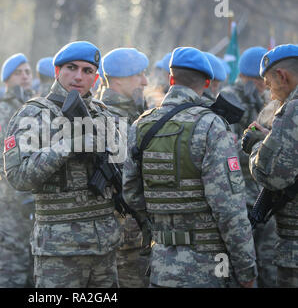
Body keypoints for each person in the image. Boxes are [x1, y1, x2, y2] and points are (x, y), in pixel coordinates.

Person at [123, 47, 257, 288]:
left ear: (171, 79)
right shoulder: (211, 126)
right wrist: (247, 269)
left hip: (161, 265)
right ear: (207, 82)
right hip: (207, 268)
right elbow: (229, 208)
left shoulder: (142, 124)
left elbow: (131, 193)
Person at [4, 41, 121, 288]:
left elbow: (124, 173)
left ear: (96, 79)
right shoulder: (34, 114)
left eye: (87, 71)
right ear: (58, 71)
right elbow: (18, 177)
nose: (79, 76)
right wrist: (67, 146)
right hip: (59, 249)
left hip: (105, 246)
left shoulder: (105, 115)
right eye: (72, 68)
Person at [243, 44, 298, 287]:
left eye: (269, 84)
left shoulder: (293, 109)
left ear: (282, 76)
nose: (271, 94)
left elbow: (272, 175)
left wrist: (257, 146)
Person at [223, 46, 278, 287]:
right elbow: (226, 152)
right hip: (238, 198)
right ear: (248, 78)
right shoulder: (228, 101)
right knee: (241, 266)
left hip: (263, 195)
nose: (265, 86)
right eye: (260, 80)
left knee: (268, 261)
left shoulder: (264, 102)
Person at [99, 47, 149, 287]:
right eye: (139, 75)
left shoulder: (131, 115)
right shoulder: (109, 119)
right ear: (118, 80)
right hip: (123, 234)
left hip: (131, 232)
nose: (145, 81)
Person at [0, 53, 35, 287]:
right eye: (18, 73)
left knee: (36, 260)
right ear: (7, 79)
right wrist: (24, 185)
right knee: (14, 259)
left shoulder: (36, 107)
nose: (25, 77)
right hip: (12, 197)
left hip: (36, 196)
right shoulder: (0, 112)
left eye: (27, 72)